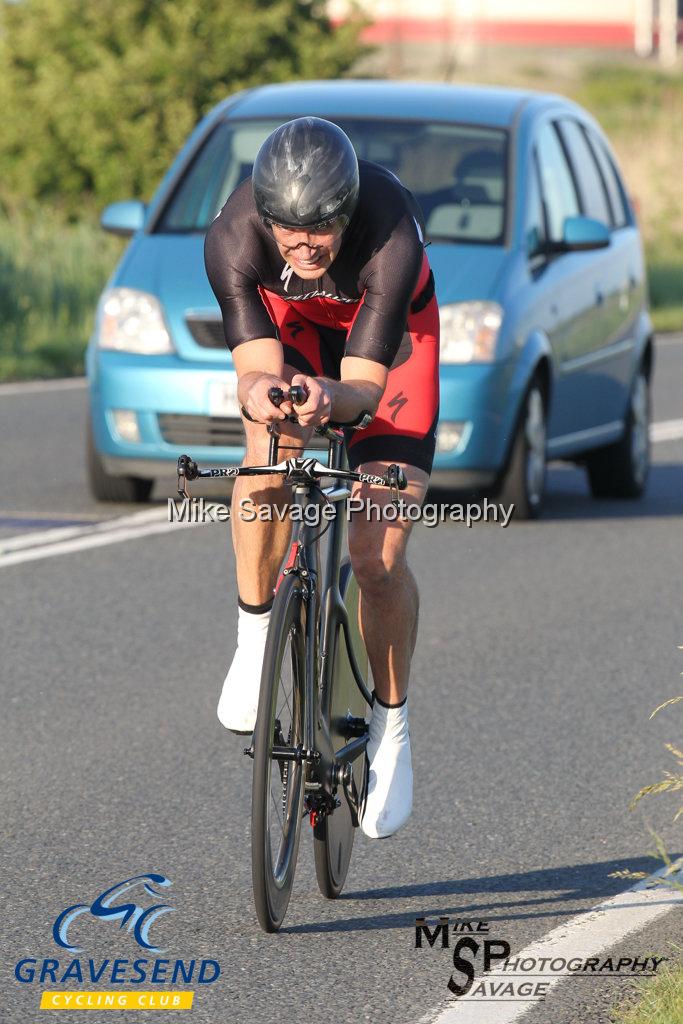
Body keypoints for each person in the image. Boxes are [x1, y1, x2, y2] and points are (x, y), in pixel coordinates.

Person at [204, 117, 439, 839]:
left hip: (391, 348)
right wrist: (267, 399)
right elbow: (254, 368)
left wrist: (328, 402)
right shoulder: (232, 237)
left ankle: (390, 728)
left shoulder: (390, 232)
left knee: (377, 556)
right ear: (264, 214)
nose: (303, 245)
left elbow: (363, 392)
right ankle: (253, 639)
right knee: (264, 455)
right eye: (287, 231)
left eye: (320, 231)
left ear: (346, 211)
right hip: (296, 337)